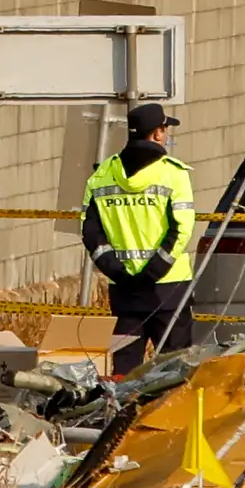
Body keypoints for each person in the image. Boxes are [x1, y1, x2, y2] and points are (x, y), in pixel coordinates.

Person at [83, 101, 197, 375]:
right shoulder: (173, 173)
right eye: (165, 129)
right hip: (168, 287)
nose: (166, 134)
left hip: (124, 290)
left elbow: (91, 232)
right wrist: (152, 271)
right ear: (157, 133)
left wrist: (117, 271)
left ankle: (124, 405)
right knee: (176, 370)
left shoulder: (102, 175)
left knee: (125, 372)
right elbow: (181, 229)